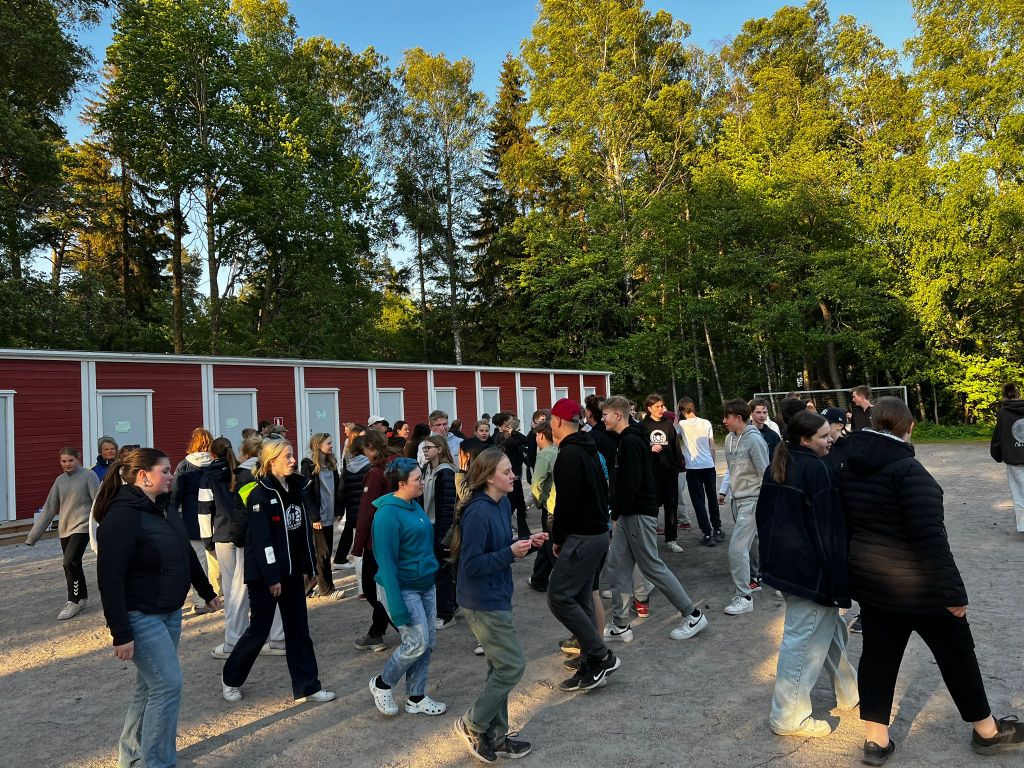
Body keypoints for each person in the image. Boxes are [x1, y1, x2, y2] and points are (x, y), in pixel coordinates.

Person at [840, 397, 1024, 764]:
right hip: (920, 588)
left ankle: (876, 739)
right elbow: (930, 540)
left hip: (875, 583)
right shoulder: (909, 472)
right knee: (957, 655)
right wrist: (953, 593)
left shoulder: (847, 465)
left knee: (877, 657)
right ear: (910, 427)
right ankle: (987, 731)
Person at [95, 448, 222, 768]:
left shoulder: (165, 508)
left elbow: (185, 553)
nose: (171, 475)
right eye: (164, 471)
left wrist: (206, 591)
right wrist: (121, 633)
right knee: (167, 685)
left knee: (150, 685)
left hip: (170, 612)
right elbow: (110, 579)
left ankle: (131, 755)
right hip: (141, 615)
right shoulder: (121, 518)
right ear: (143, 476)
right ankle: (157, 762)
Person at [756, 410, 857, 738]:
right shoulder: (817, 470)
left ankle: (850, 692)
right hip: (809, 574)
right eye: (824, 436)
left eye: (831, 434)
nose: (831, 440)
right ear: (804, 440)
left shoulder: (780, 465)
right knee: (803, 640)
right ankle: (788, 716)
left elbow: (764, 519)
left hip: (787, 569)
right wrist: (840, 583)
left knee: (828, 628)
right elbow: (830, 532)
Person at [221, 439, 335, 704]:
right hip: (265, 575)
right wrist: (272, 577)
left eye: (293, 455)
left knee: (299, 631)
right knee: (259, 631)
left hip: (293, 572)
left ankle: (308, 686)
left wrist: (310, 568)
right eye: (287, 456)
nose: (293, 461)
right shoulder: (259, 494)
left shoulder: (297, 488)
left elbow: (303, 533)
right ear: (271, 461)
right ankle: (230, 678)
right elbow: (262, 540)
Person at [451, 447, 546, 761]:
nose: (514, 476)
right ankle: (473, 723)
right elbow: (472, 564)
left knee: (499, 668)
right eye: (507, 472)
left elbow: (503, 547)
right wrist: (510, 553)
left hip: (498, 595)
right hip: (481, 601)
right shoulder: (477, 512)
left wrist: (528, 544)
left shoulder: (502, 503)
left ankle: (497, 737)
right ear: (489, 477)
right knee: (512, 666)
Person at [601, 396, 708, 642]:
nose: (603, 419)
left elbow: (632, 482)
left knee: (651, 565)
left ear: (617, 415)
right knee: (617, 565)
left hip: (637, 512)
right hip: (628, 512)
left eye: (605, 414)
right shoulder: (630, 438)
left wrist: (617, 511)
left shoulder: (631, 440)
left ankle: (692, 615)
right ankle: (620, 625)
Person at [546, 398, 619, 693]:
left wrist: (558, 538)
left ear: (558, 421)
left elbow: (565, 504)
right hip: (597, 532)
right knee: (582, 596)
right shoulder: (590, 448)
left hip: (583, 536)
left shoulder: (569, 455)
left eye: (551, 420)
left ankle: (600, 655)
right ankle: (591, 660)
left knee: (559, 596)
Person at [368, 458, 447, 716]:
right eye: (417, 479)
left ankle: (416, 696)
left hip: (425, 585)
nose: (422, 482)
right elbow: (386, 564)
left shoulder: (414, 505)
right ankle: (382, 684)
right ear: (402, 484)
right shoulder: (387, 516)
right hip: (403, 588)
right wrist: (397, 607)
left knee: (428, 642)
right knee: (416, 642)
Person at [206, 434, 286, 660]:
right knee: (274, 587)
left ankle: (234, 640)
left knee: (238, 592)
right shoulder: (270, 472)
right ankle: (278, 638)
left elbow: (244, 512)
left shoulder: (245, 474)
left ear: (245, 453)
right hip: (271, 537)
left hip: (249, 540)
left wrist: (237, 538)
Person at [26, 447, 100, 620]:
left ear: (78, 459)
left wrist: (103, 526)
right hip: (65, 528)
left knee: (69, 562)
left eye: (70, 460)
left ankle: (72, 601)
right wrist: (33, 536)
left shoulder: (89, 476)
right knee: (74, 564)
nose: (67, 464)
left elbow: (98, 502)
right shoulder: (59, 480)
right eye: (63, 461)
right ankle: (82, 598)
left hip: (82, 526)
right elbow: (49, 508)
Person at [351, 429, 402, 651]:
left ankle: (406, 631)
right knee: (387, 586)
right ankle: (376, 632)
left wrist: (358, 546)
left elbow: (366, 510)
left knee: (374, 590)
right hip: (398, 533)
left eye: (364, 451)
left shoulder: (376, 473)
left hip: (377, 538)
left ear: (371, 447)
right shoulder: (399, 464)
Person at [718, 400, 770, 615]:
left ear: (738, 418)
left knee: (736, 549)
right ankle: (757, 578)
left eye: (727, 417)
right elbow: (732, 470)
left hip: (752, 500)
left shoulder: (755, 440)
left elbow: (765, 473)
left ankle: (744, 597)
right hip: (736, 499)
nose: (724, 421)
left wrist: (766, 504)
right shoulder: (729, 439)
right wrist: (725, 490)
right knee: (751, 544)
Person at [168, 428, 217, 606]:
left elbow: (176, 495)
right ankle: (221, 592)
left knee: (199, 560)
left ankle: (201, 600)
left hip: (192, 517)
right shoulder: (217, 463)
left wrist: (172, 517)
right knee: (218, 559)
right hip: (216, 517)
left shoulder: (184, 465)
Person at [422, 435, 459, 629]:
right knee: (436, 571)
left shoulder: (445, 473)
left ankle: (446, 614)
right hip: (428, 526)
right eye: (424, 448)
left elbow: (447, 508)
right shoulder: (427, 469)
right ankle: (452, 605)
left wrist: (444, 537)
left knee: (442, 572)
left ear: (440, 449)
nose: (425, 451)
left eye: (428, 447)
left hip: (440, 528)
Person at [299, 432, 342, 598]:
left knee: (325, 552)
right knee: (322, 553)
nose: (331, 446)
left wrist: (338, 510)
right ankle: (327, 589)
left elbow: (336, 489)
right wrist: (314, 517)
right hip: (318, 517)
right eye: (328, 443)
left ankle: (306, 587)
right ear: (318, 445)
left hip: (329, 515)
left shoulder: (330, 463)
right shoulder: (309, 465)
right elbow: (306, 492)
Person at [640, 395, 684, 550]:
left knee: (671, 506)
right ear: (649, 408)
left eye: (661, 406)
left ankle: (671, 539)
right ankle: (649, 541)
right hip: (651, 474)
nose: (660, 409)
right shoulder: (642, 426)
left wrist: (678, 465)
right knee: (651, 507)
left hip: (669, 473)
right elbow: (638, 448)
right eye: (657, 406)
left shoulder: (668, 424)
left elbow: (676, 446)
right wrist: (649, 448)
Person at [677, 397, 718, 550]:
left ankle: (707, 533)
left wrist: (676, 417)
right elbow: (712, 446)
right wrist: (713, 463)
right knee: (712, 497)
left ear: (681, 410)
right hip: (708, 465)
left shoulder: (682, 424)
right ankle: (717, 528)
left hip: (693, 467)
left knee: (698, 501)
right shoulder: (706, 422)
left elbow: (672, 433)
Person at [527, 420, 558, 592]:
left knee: (551, 544)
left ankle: (560, 582)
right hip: (560, 504)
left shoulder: (545, 454)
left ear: (540, 435)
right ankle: (539, 578)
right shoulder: (558, 450)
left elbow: (536, 484)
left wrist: (539, 502)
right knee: (547, 542)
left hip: (550, 506)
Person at [990, 382, 1024, 534]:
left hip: (1014, 458)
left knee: (1019, 494)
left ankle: (1023, 526)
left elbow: (999, 436)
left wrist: (997, 455)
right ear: (1019, 394)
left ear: (1004, 396)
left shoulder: (1003, 413)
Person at [334, 433, 369, 571]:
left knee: (349, 533)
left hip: (351, 510)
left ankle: (340, 558)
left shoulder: (348, 468)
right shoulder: (369, 467)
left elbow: (341, 492)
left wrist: (340, 510)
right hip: (366, 510)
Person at [493, 413, 531, 537]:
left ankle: (524, 532)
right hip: (512, 477)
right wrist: (513, 432)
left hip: (515, 476)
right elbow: (525, 440)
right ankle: (504, 529)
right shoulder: (507, 441)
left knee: (519, 505)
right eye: (517, 430)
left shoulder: (507, 440)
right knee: (513, 505)